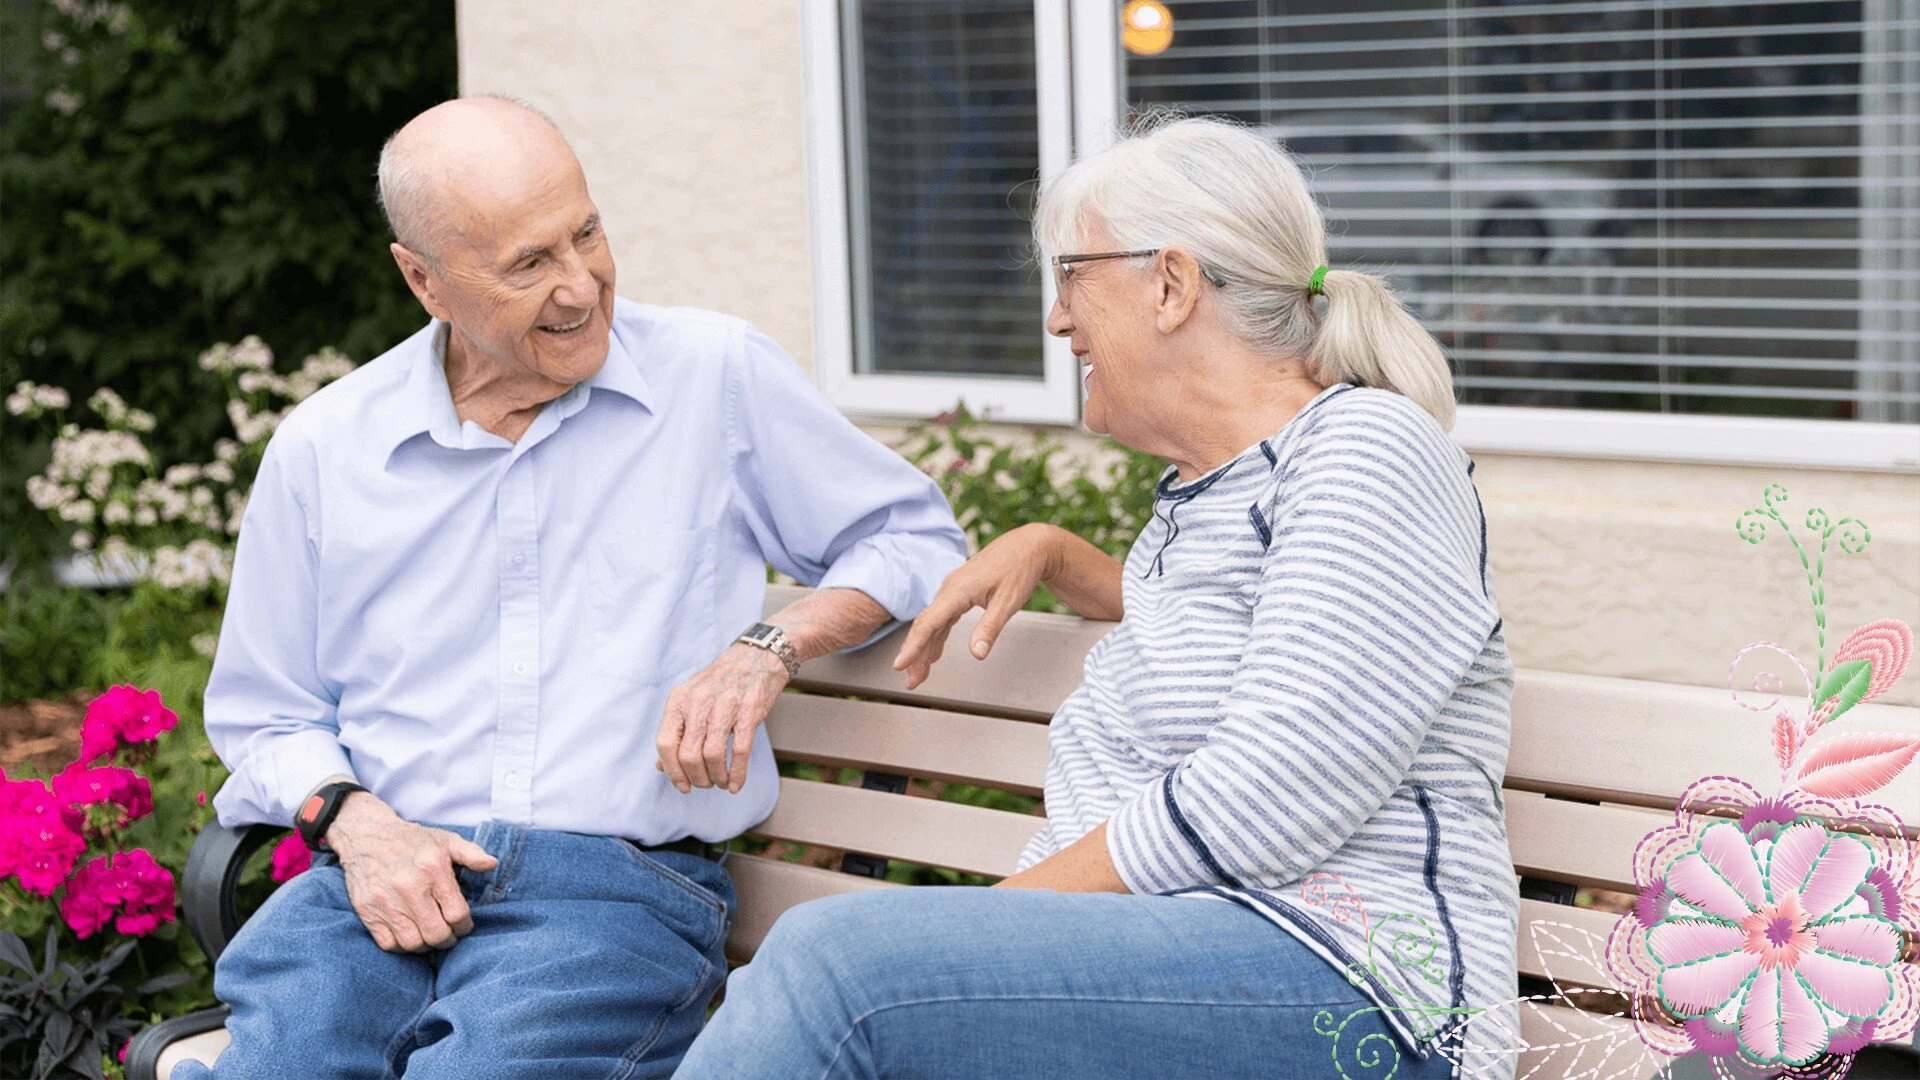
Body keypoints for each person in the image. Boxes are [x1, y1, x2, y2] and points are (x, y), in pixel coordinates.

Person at [675, 115, 1520, 1080]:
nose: (1057, 318)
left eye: (1072, 274)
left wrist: (983, 929)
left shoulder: (1369, 451)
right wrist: (1061, 553)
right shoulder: (1213, 490)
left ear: (1171, 284)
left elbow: (1276, 789)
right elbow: (1267, 631)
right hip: (1197, 961)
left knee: (838, 970)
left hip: (1359, 993)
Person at [180, 96, 966, 1080]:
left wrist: (772, 642)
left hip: (610, 893)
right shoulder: (329, 447)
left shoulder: (713, 378)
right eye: (528, 264)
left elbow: (916, 540)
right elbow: (265, 711)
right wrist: (358, 823)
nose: (581, 286)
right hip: (376, 880)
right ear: (423, 280)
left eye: (585, 233)